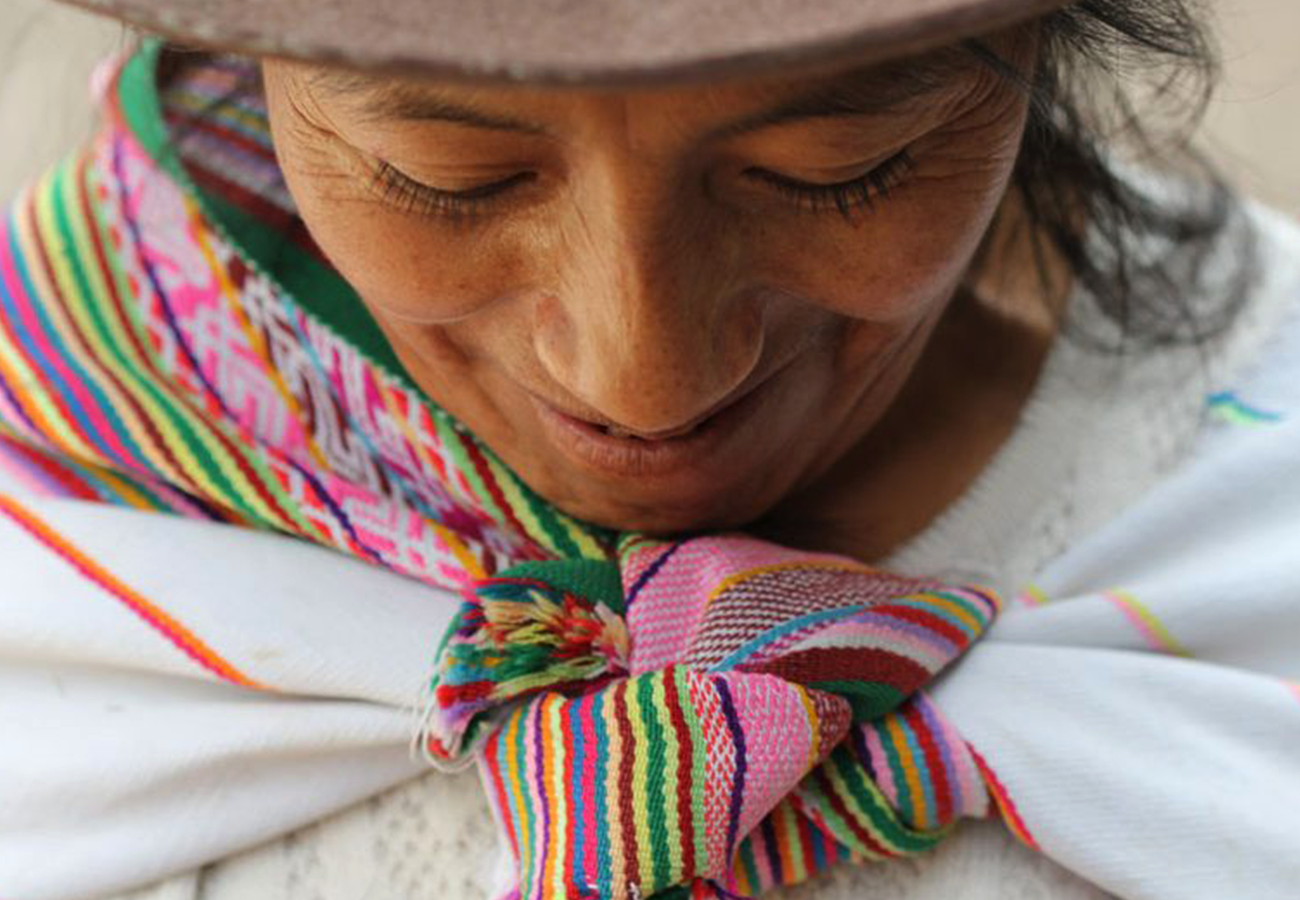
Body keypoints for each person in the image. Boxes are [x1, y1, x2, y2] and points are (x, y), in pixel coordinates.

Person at [1, 1, 1297, 899]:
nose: (646, 374)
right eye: (447, 176)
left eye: (837, 166)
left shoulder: (1266, 486)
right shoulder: (53, 527)